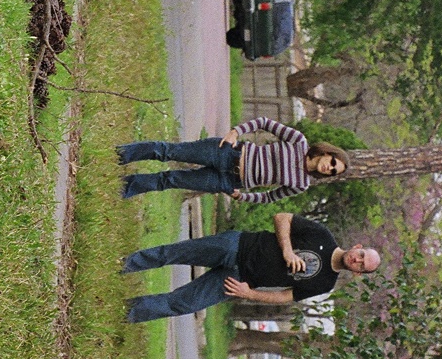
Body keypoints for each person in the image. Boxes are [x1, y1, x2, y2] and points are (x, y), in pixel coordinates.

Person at [122, 212, 380, 324]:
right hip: (236, 245)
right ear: (357, 247)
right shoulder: (323, 235)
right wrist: (288, 250)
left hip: (240, 280)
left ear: (358, 273)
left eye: (362, 265)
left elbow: (284, 296)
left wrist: (249, 294)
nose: (357, 260)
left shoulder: (325, 284)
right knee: (174, 253)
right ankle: (123, 265)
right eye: (361, 255)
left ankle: (125, 312)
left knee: (183, 304)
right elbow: (282, 218)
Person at [117, 117, 349, 201]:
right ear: (328, 153)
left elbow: (270, 197)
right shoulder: (299, 141)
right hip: (228, 152)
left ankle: (124, 187)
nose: (328, 168)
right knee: (169, 152)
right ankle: (122, 155)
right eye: (332, 163)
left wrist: (243, 197)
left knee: (171, 180)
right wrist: (236, 131)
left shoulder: (302, 184)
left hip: (229, 183)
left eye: (331, 172)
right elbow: (265, 123)